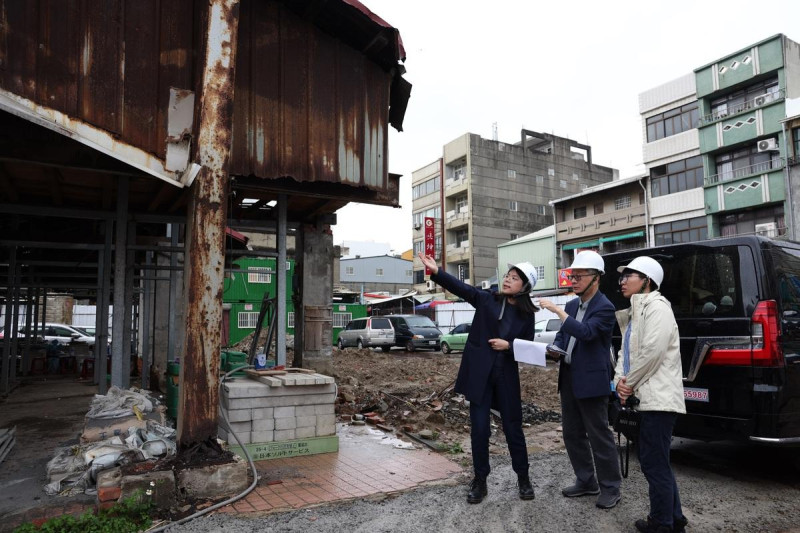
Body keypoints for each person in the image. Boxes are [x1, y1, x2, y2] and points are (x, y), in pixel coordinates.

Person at [418, 252, 537, 504]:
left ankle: (523, 478)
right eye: (507, 275)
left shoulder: (528, 315)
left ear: (524, 287)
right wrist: (437, 272)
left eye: (514, 278)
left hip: (506, 376)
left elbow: (529, 348)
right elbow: (461, 288)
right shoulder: (485, 299)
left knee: (514, 429)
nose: (507, 280)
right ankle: (480, 480)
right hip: (480, 377)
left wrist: (509, 345)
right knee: (480, 431)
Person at [537, 250, 622, 510]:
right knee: (572, 433)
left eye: (578, 276)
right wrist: (555, 349)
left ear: (596, 278)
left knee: (599, 436)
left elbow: (585, 333)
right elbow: (565, 336)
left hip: (592, 381)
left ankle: (610, 487)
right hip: (570, 376)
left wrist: (557, 311)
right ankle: (586, 480)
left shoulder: (605, 307)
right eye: (571, 276)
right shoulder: (573, 304)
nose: (572, 281)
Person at [613, 256, 687, 533]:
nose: (622, 281)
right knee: (657, 461)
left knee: (653, 463)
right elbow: (626, 355)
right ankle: (675, 519)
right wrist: (619, 383)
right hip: (645, 397)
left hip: (658, 399)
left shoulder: (658, 308)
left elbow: (652, 353)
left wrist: (628, 383)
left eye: (629, 276)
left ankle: (661, 523)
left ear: (647, 280)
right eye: (622, 276)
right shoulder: (635, 312)